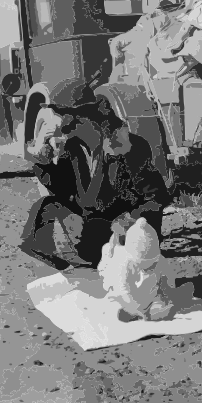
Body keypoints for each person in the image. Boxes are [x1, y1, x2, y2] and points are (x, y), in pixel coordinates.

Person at [20, 78, 171, 270]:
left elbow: (156, 197)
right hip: (94, 227)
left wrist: (128, 222)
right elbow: (62, 189)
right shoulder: (74, 147)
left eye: (57, 112)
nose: (52, 120)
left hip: (127, 232)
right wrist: (43, 160)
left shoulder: (126, 145)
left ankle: (110, 267)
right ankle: (81, 270)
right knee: (46, 207)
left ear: (77, 116)